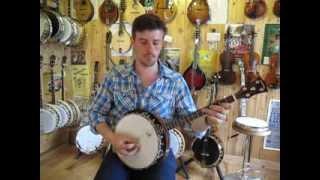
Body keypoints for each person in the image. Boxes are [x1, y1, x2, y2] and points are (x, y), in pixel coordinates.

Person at [89, 14, 231, 180]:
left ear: (162, 43)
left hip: (160, 156)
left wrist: (207, 120)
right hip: (120, 154)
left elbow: (192, 124)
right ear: (133, 42)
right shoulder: (115, 77)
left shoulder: (175, 81)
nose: (150, 49)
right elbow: (95, 114)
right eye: (143, 42)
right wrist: (113, 138)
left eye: (156, 42)